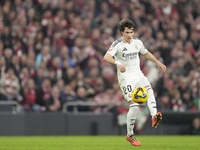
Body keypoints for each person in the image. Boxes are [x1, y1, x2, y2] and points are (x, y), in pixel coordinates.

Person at [103, 19, 166, 146]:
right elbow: (106, 57)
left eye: (131, 32)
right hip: (126, 78)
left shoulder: (137, 42)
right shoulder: (117, 44)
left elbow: (146, 53)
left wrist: (157, 62)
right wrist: (117, 63)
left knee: (149, 90)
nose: (129, 35)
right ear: (121, 32)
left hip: (138, 74)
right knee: (134, 106)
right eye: (127, 32)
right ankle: (130, 135)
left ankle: (154, 115)